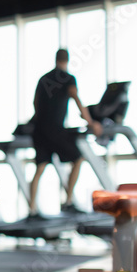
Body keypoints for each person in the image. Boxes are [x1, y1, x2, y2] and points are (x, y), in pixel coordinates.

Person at [28, 49, 103, 217]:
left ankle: (32, 210)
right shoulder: (69, 78)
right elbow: (76, 98)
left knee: (39, 168)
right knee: (78, 158)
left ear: (56, 59)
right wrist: (91, 123)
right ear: (67, 60)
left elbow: (35, 102)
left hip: (39, 129)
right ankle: (68, 201)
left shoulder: (44, 79)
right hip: (55, 129)